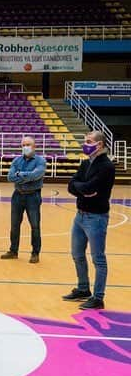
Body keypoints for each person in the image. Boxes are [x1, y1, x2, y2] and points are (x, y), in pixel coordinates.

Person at [64, 130, 115, 310]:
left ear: (99, 144)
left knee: (98, 258)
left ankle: (98, 297)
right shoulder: (86, 163)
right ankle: (83, 288)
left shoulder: (106, 166)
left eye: (89, 141)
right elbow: (73, 185)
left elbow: (90, 187)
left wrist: (82, 188)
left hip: (96, 217)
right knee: (77, 254)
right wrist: (82, 189)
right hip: (80, 215)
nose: (85, 144)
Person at [1, 136, 46, 263]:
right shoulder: (16, 160)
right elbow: (10, 177)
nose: (25, 147)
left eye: (28, 144)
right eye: (23, 145)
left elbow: (37, 175)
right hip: (17, 195)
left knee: (35, 225)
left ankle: (35, 253)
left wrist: (19, 175)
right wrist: (27, 176)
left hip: (33, 196)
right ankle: (13, 251)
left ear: (34, 146)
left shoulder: (40, 161)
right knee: (14, 225)